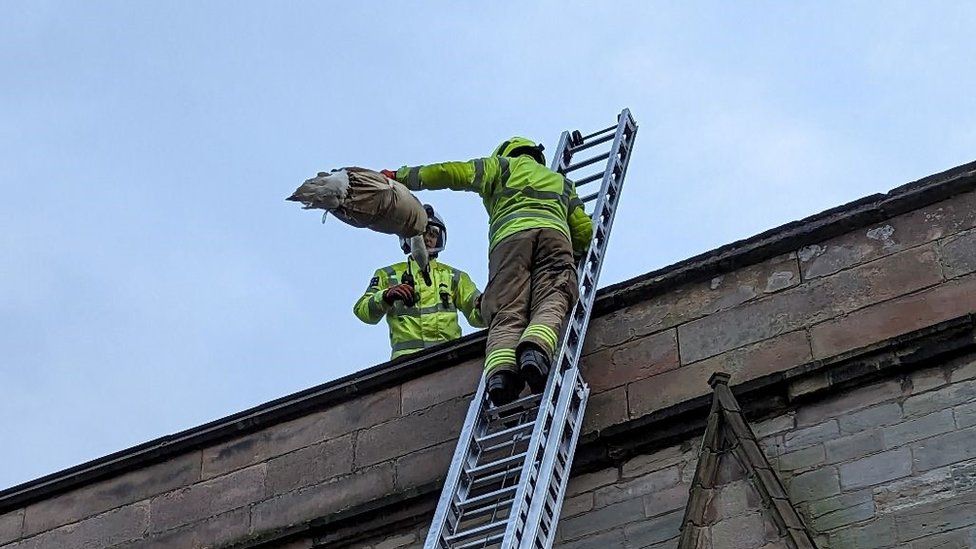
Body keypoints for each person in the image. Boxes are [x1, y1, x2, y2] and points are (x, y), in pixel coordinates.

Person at [382, 137, 592, 406]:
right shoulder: (561, 182)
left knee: (506, 310)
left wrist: (400, 177)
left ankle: (501, 377)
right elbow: (584, 232)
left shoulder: (499, 168)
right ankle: (535, 350)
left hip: (508, 244)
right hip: (554, 240)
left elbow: (451, 172)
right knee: (553, 295)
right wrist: (571, 250)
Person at [354, 204, 486, 359]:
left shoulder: (454, 277)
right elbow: (362, 312)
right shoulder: (387, 275)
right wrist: (385, 296)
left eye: (433, 233)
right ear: (408, 237)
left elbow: (478, 314)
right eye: (422, 232)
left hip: (449, 360)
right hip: (407, 366)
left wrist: (485, 302)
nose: (428, 238)